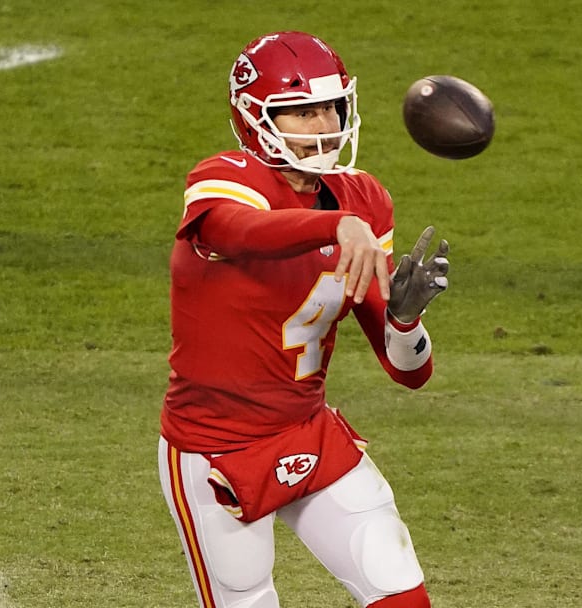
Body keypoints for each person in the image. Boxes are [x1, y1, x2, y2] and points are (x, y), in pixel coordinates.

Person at [157, 31, 450, 608]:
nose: (321, 127)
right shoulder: (226, 178)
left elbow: (408, 373)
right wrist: (331, 227)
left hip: (308, 431)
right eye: (299, 112)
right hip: (216, 449)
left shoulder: (362, 199)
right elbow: (236, 232)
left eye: (329, 109)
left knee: (399, 590)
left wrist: (404, 318)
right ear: (253, 119)